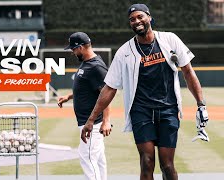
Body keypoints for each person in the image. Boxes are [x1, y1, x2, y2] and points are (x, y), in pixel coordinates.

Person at [81, 4, 209, 180]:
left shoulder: (169, 40)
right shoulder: (124, 52)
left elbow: (188, 71)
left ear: (149, 17)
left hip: (168, 110)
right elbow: (109, 87)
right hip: (141, 111)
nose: (136, 21)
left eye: (140, 17)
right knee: (147, 161)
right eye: (132, 19)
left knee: (167, 165)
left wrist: (201, 104)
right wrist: (91, 120)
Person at [57, 32, 112, 180]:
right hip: (88, 122)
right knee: (99, 160)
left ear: (80, 47)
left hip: (92, 124)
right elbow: (87, 89)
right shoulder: (87, 63)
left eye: (73, 49)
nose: (72, 52)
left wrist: (106, 121)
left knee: (87, 158)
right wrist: (69, 96)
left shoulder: (96, 67)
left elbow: (106, 94)